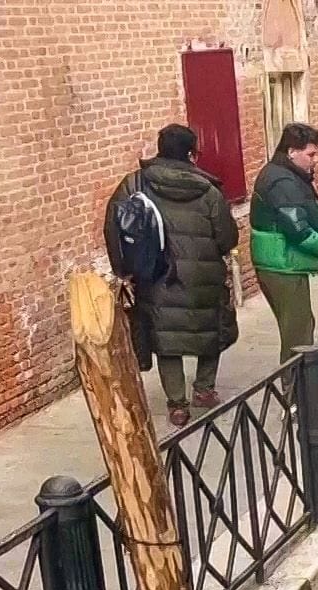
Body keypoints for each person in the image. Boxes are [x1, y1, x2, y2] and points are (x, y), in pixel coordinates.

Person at [104, 124, 240, 426]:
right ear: (192, 154)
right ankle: (204, 389)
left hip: (156, 275)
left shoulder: (135, 183)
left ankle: (177, 403)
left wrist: (122, 269)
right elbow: (227, 238)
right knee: (210, 330)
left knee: (165, 338)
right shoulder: (209, 191)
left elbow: (114, 226)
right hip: (204, 275)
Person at [251, 123, 318, 364]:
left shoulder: (285, 175)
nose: (316, 160)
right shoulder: (282, 182)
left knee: (300, 326)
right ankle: (296, 395)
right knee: (298, 335)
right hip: (281, 266)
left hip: (280, 264)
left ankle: (299, 392)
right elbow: (298, 230)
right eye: (311, 154)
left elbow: (299, 210)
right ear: (292, 152)